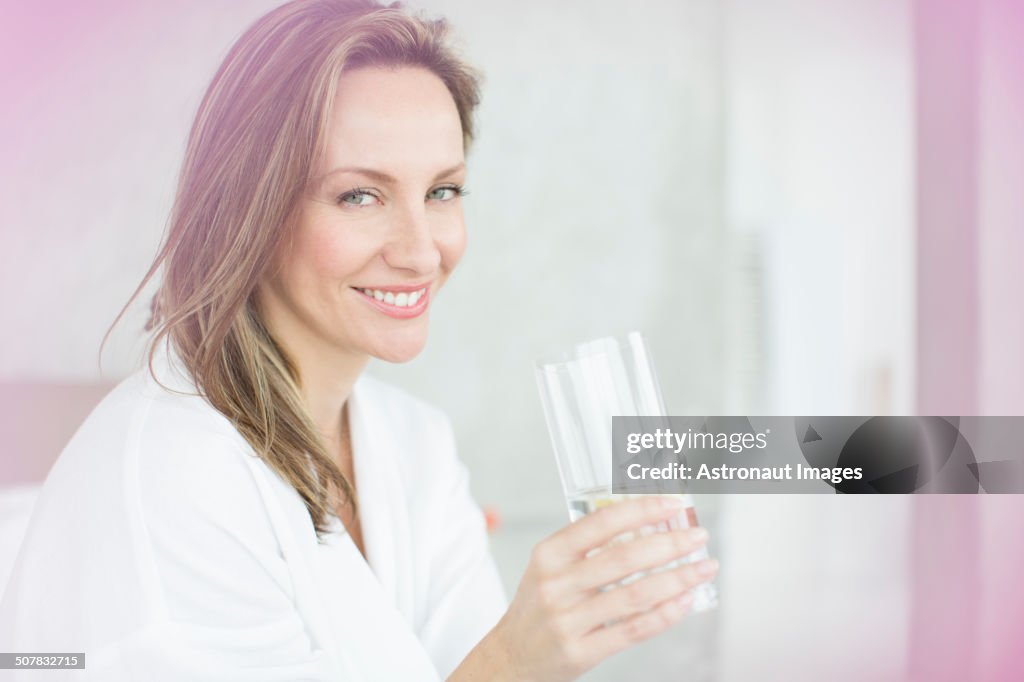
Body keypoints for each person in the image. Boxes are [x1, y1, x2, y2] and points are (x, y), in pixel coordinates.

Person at [0, 1, 718, 679]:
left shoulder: (412, 447)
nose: (420, 251)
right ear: (251, 211)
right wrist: (519, 660)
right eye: (359, 195)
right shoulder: (173, 477)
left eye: (442, 191)